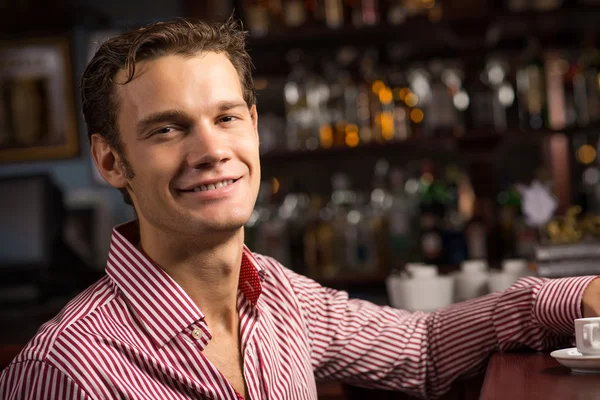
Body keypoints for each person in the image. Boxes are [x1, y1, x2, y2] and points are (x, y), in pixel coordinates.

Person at [1, 18, 600, 400]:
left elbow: (421, 348)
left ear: (254, 128)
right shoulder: (64, 370)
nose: (211, 150)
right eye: (167, 129)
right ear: (110, 162)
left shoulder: (281, 297)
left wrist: (581, 295)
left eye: (227, 118)